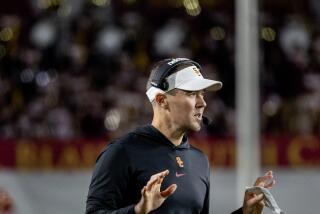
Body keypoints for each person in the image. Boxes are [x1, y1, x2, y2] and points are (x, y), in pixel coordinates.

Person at [85, 58, 275, 214]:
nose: (203, 103)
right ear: (162, 100)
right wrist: (137, 211)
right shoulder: (122, 152)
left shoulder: (199, 160)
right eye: (192, 94)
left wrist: (245, 213)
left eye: (202, 94)